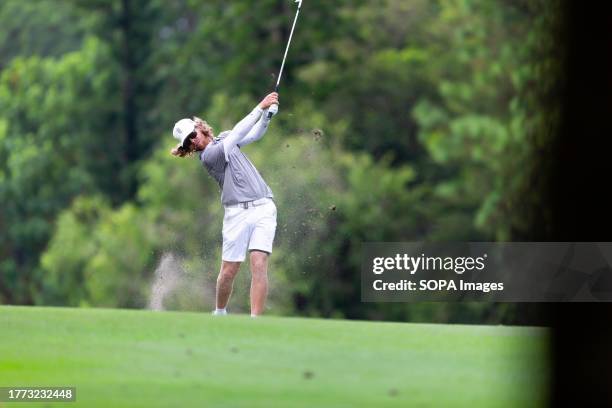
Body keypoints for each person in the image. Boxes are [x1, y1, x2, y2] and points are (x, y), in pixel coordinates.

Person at [170, 92, 279, 317]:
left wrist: (267, 116)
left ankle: (255, 321)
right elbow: (238, 133)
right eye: (188, 142)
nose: (193, 141)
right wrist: (260, 107)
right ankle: (220, 312)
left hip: (263, 207)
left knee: (259, 263)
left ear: (200, 127)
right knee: (229, 271)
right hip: (236, 214)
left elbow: (253, 135)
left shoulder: (224, 138)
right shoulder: (209, 156)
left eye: (193, 134)